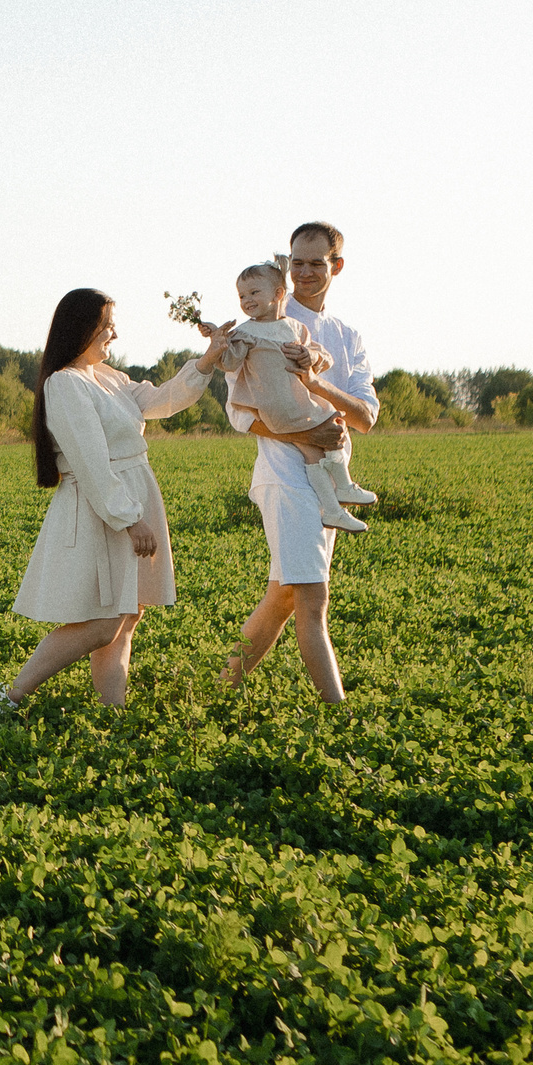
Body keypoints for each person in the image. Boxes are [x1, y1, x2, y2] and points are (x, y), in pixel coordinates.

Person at [0, 288, 231, 711]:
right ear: (81, 329)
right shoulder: (65, 383)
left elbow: (164, 401)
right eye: (105, 326)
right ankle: (10, 696)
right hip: (100, 507)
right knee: (103, 620)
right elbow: (90, 462)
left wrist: (208, 358)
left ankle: (112, 710)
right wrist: (129, 518)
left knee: (127, 615)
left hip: (130, 495)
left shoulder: (110, 378)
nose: (113, 334)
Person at [221, 221, 376, 703]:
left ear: (337, 267)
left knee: (284, 596)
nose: (305, 272)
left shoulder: (345, 336)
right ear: (286, 267)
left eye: (316, 262)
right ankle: (339, 713)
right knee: (313, 600)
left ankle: (219, 689)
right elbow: (241, 414)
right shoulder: (261, 319)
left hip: (325, 480)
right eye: (298, 262)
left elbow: (366, 415)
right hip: (284, 478)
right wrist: (310, 429)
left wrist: (316, 384)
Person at [212, 259, 375, 532]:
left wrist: (310, 355)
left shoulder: (295, 327)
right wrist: (218, 344)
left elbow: (323, 357)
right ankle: (344, 486)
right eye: (242, 295)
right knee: (334, 419)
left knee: (313, 453)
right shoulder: (245, 332)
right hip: (278, 407)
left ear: (278, 294)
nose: (246, 300)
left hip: (290, 405)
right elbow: (229, 363)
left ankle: (333, 510)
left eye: (254, 293)